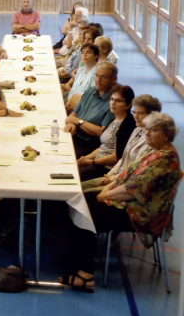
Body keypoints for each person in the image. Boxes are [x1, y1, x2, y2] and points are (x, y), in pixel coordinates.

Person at [61, 112, 182, 293]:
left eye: (152, 130)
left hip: (140, 212)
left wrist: (104, 195)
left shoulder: (164, 161)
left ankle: (85, 276)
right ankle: (77, 256)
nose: (146, 134)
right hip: (129, 201)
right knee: (79, 201)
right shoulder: (156, 151)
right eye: (146, 129)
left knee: (86, 213)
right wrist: (107, 188)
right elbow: (127, 174)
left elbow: (131, 191)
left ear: (166, 134)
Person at [82, 94, 162, 193]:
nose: (135, 117)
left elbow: (135, 169)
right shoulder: (137, 130)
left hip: (125, 184)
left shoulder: (151, 141)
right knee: (79, 187)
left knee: (83, 194)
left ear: (152, 115)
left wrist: (112, 179)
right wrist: (110, 174)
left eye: (140, 114)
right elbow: (123, 158)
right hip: (116, 177)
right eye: (134, 112)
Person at [76, 84, 136, 182]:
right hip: (97, 160)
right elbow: (103, 146)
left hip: (106, 168)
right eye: (112, 99)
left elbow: (116, 157)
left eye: (118, 101)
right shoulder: (114, 118)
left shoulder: (127, 125)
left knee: (75, 176)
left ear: (128, 105)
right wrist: (86, 158)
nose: (113, 103)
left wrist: (91, 162)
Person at [64, 62, 118, 158]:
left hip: (89, 145)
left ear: (114, 79)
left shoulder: (114, 101)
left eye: (104, 77)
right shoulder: (91, 91)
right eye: (96, 75)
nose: (98, 80)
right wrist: (72, 123)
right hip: (74, 135)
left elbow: (100, 132)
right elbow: (73, 115)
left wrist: (77, 121)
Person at [63, 44, 99, 110]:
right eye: (82, 52)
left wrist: (73, 104)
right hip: (73, 100)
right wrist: (69, 101)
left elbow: (90, 96)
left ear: (96, 56)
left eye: (88, 52)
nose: (84, 55)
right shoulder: (80, 70)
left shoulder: (97, 73)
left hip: (83, 106)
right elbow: (73, 89)